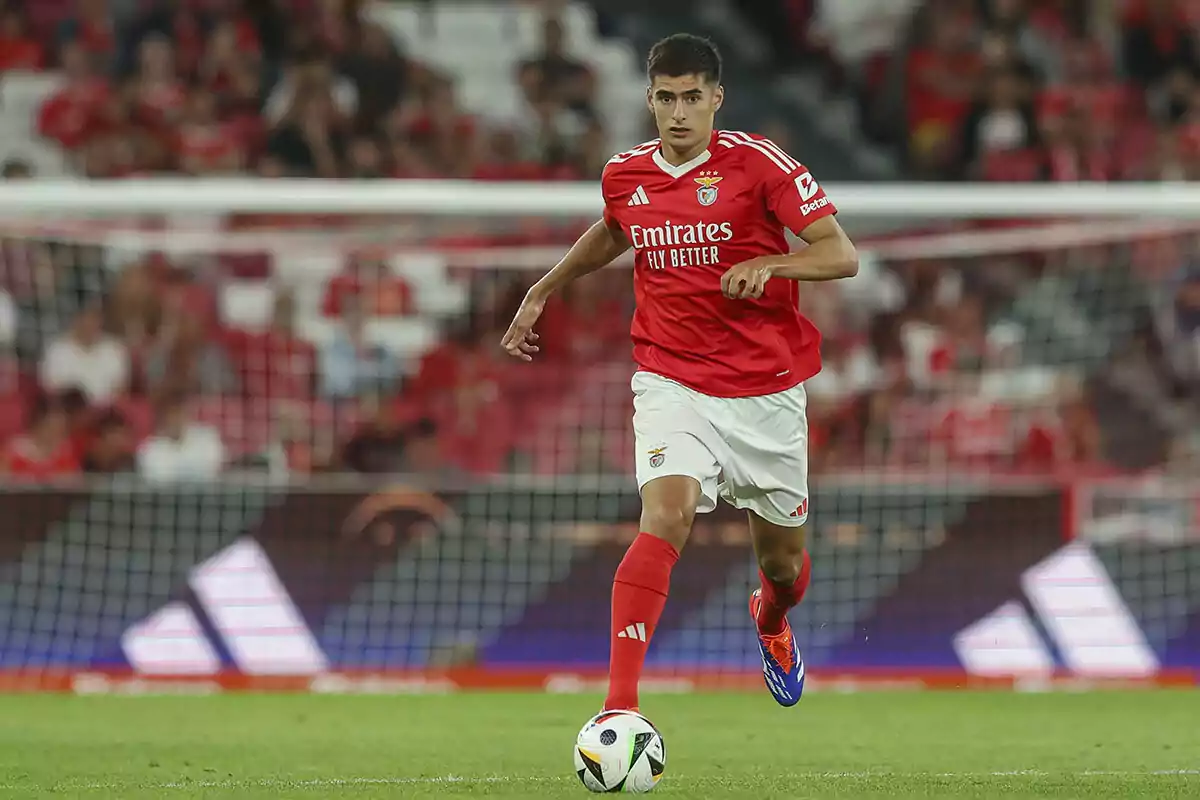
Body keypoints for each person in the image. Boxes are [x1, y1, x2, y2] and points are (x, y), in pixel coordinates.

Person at [501, 34, 858, 711]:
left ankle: (772, 620)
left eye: (693, 97)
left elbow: (840, 254)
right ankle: (619, 709)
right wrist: (544, 288)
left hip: (765, 389)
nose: (679, 112)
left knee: (782, 568)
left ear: (716, 99)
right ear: (650, 100)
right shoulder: (625, 173)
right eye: (666, 98)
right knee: (664, 516)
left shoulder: (759, 165)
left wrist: (770, 264)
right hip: (672, 380)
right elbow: (614, 228)